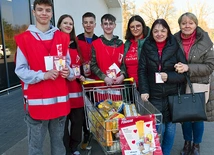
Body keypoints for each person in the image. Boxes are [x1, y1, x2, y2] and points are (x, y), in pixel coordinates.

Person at [14, 0, 74, 155]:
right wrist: (43, 75)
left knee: (59, 147)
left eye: (47, 10)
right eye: (40, 10)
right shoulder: (24, 39)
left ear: (52, 13)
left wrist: (69, 72)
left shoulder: (62, 37)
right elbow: (20, 70)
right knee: (35, 149)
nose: (44, 13)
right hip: (37, 104)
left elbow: (69, 65)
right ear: (33, 12)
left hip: (59, 103)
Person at [138, 19, 187, 155]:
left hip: (172, 95)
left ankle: (165, 153)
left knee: (170, 130)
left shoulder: (175, 46)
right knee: (158, 129)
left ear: (168, 32)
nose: (159, 34)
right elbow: (142, 70)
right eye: (156, 31)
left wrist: (169, 76)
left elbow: (183, 75)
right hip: (153, 95)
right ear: (151, 33)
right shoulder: (146, 47)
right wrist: (144, 90)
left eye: (163, 31)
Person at [174, 12, 214, 155]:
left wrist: (188, 68)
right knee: (185, 117)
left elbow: (210, 66)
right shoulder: (174, 40)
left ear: (196, 24)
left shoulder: (205, 41)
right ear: (180, 25)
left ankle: (196, 145)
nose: (187, 26)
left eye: (190, 23)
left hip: (199, 84)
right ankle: (187, 143)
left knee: (197, 117)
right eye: (184, 23)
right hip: (180, 83)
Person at [57, 14, 85, 155]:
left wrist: (81, 75)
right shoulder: (55, 43)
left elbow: (78, 66)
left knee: (77, 123)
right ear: (59, 25)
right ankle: (67, 150)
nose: (68, 25)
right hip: (62, 91)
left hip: (76, 90)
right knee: (62, 125)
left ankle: (74, 148)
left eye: (71, 23)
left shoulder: (76, 43)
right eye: (65, 23)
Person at [77, 12, 98, 149]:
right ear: (82, 24)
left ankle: (98, 132)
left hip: (95, 80)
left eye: (91, 22)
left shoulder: (99, 40)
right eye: (86, 22)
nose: (88, 25)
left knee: (97, 107)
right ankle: (86, 134)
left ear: (95, 24)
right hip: (80, 80)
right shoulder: (76, 39)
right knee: (83, 111)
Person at [90, 13, 125, 86]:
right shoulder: (95, 44)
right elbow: (93, 65)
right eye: (105, 24)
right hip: (101, 85)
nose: (108, 26)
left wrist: (122, 76)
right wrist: (105, 78)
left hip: (117, 84)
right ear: (101, 26)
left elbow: (123, 64)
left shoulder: (120, 44)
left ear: (115, 25)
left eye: (111, 24)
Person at [123, 15, 150, 86]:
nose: (135, 29)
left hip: (146, 84)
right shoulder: (127, 44)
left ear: (143, 26)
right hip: (131, 85)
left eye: (138, 26)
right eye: (132, 27)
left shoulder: (149, 42)